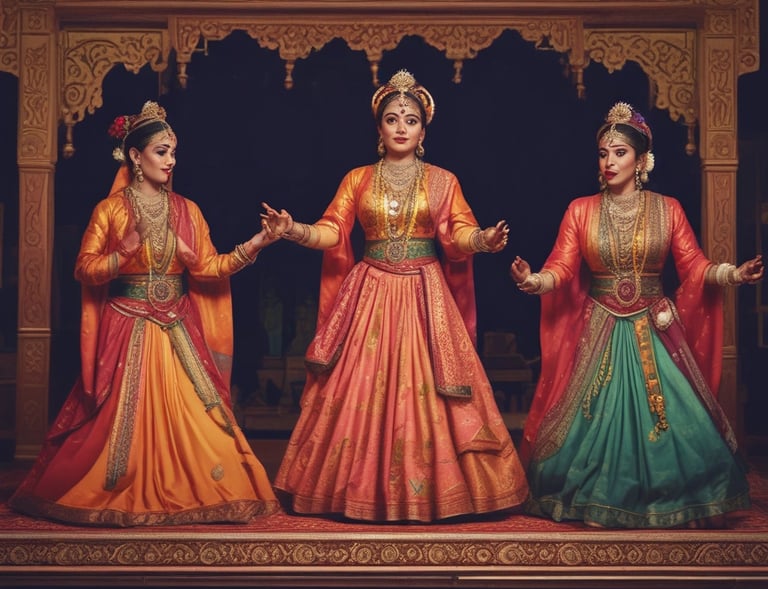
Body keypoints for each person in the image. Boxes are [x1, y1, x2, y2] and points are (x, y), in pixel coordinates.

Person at [262, 70, 529, 522]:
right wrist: (293, 230)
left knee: (433, 391)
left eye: (411, 120)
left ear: (423, 131)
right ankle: (355, 494)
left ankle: (438, 495)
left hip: (425, 295)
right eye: (392, 119)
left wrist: (483, 240)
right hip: (370, 294)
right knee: (358, 387)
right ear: (379, 128)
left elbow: (457, 236)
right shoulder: (358, 179)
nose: (401, 127)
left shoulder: (443, 181)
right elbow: (332, 231)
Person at [9, 101, 282, 526]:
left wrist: (257, 243)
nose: (170, 161)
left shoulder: (188, 211)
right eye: (161, 151)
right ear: (135, 156)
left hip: (177, 328)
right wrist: (123, 251)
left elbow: (210, 268)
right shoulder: (111, 211)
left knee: (205, 422)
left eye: (173, 152)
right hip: (127, 328)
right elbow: (83, 270)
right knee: (117, 424)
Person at [510, 102, 764, 528]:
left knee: (678, 422)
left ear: (642, 160)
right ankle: (598, 499)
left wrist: (734, 274)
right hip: (600, 327)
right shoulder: (581, 210)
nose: (609, 162)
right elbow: (562, 267)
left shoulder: (668, 209)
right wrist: (533, 280)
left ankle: (681, 502)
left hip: (655, 325)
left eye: (620, 153)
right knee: (588, 426)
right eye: (603, 153)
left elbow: (694, 266)